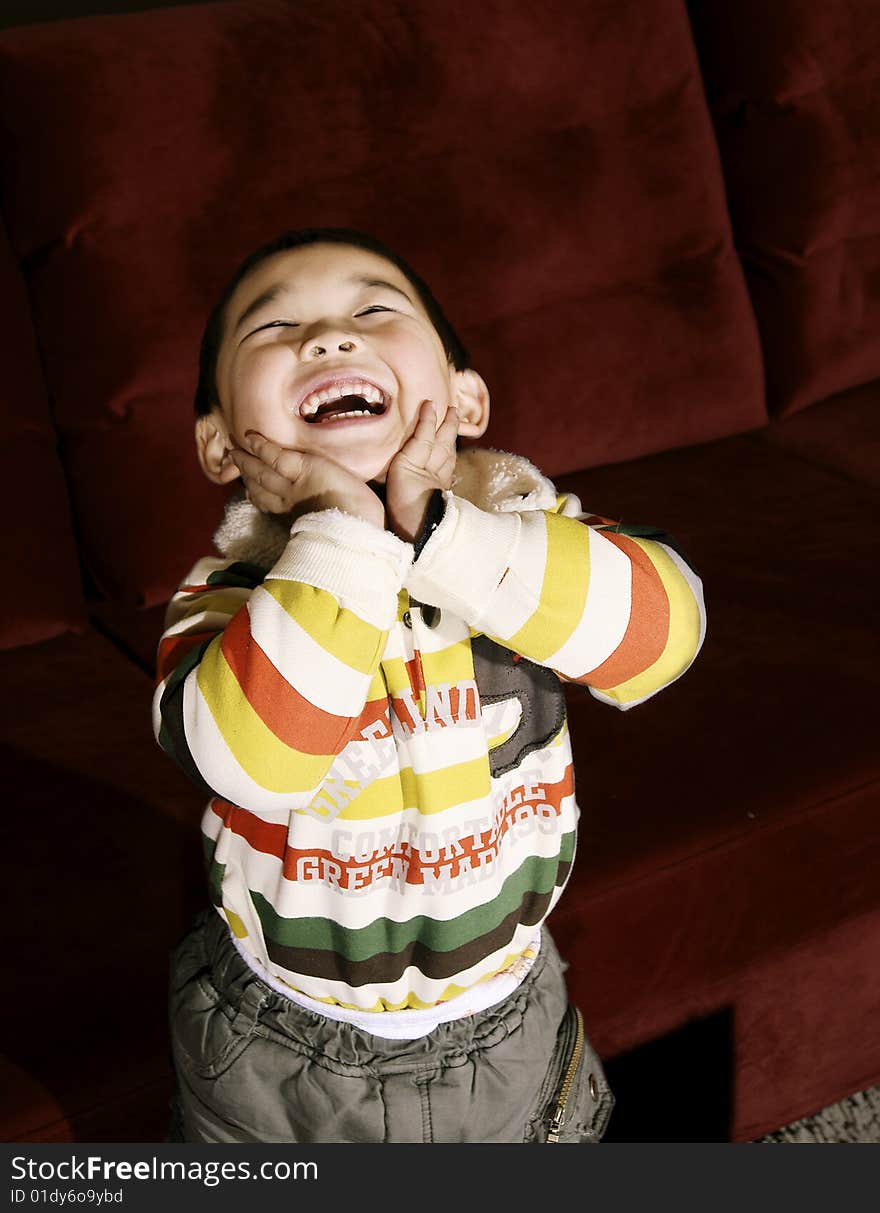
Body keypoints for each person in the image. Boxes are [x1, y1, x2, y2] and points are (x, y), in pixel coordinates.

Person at [152, 227, 706, 1143]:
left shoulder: (526, 536)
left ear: (464, 398)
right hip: (275, 1038)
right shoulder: (227, 598)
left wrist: (445, 530)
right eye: (274, 326)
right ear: (219, 444)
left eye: (374, 310)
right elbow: (254, 759)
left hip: (507, 1019)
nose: (327, 339)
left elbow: (664, 634)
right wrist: (344, 526)